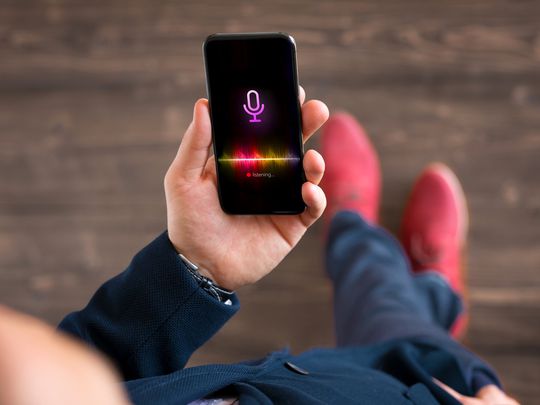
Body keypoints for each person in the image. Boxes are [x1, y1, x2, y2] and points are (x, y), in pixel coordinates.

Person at [0, 91, 519, 405]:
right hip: (436, 389)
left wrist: (195, 265)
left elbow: (89, 366)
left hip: (324, 377)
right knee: (391, 308)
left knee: (383, 305)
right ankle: (406, 268)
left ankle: (383, 256)